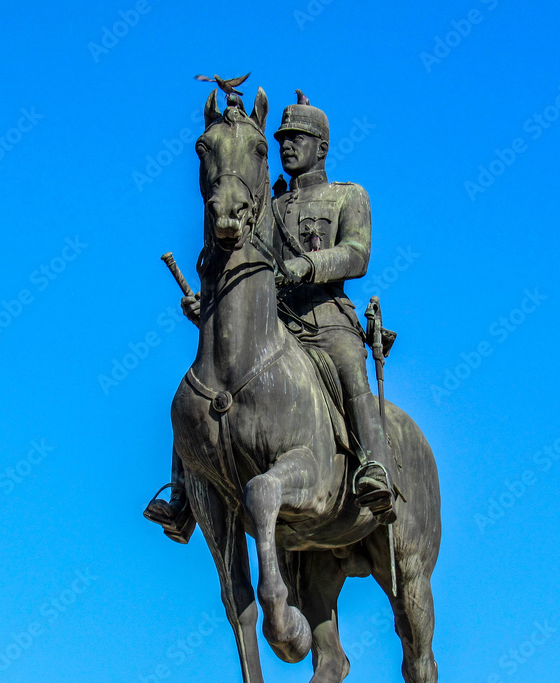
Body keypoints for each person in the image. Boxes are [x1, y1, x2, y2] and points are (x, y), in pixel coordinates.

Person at [145, 93, 396, 541]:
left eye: (298, 137)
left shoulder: (347, 196)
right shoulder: (268, 203)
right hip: (269, 322)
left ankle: (373, 469)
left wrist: (307, 267)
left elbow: (357, 254)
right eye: (281, 138)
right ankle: (184, 495)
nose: (287, 145)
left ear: (322, 147)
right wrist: (210, 305)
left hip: (324, 319)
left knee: (348, 365)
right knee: (204, 385)